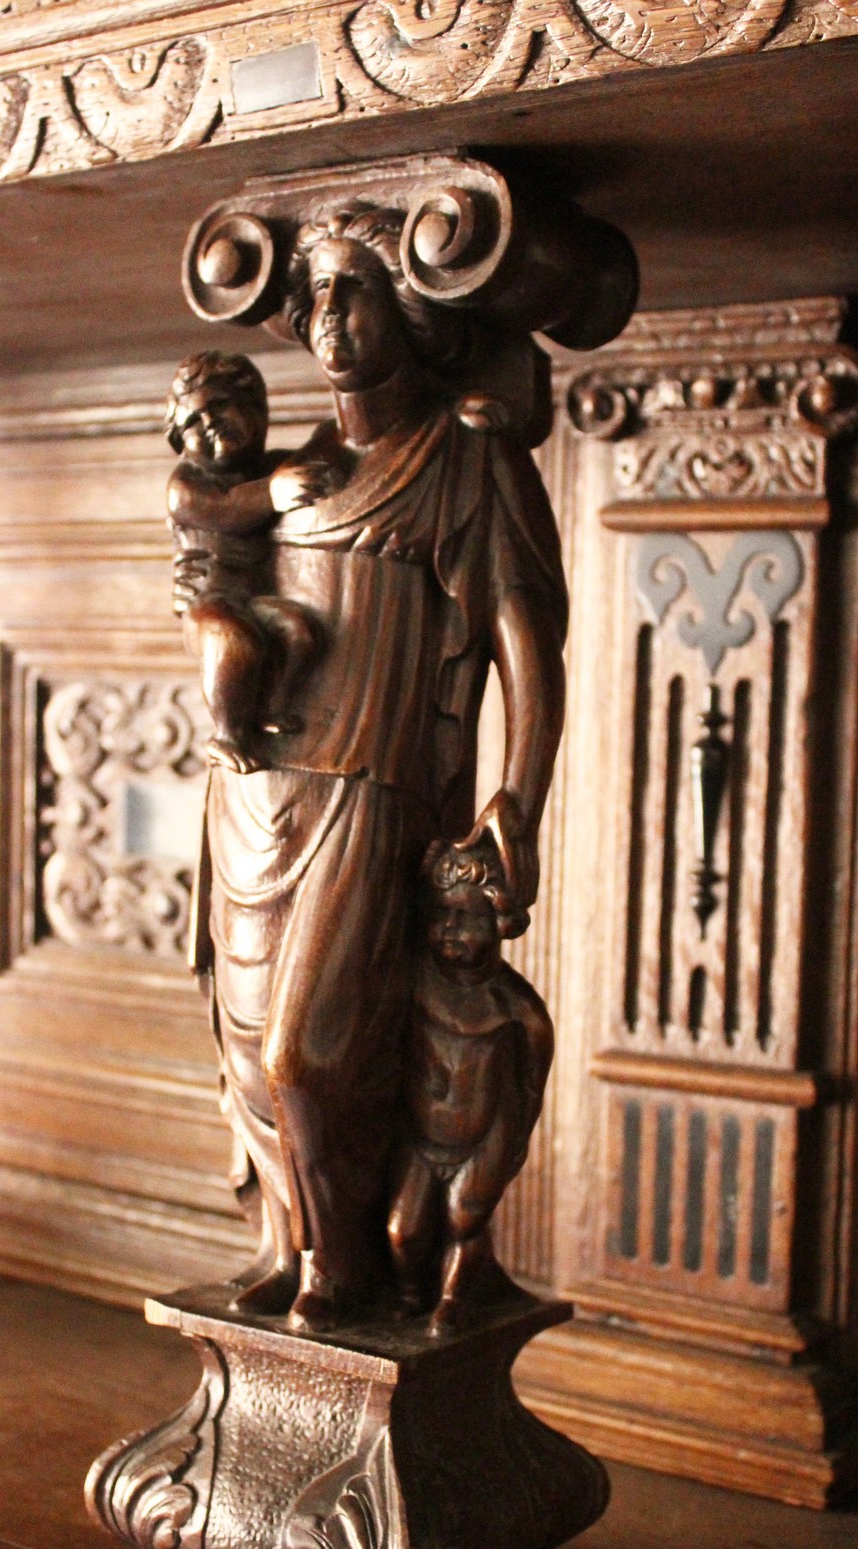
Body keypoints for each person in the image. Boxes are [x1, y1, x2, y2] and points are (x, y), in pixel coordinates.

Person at [189, 202, 569, 1331]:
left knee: (310, 1050)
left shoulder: (460, 454)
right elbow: (212, 584)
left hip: (371, 788)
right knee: (253, 1054)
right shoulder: (289, 469)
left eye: (354, 290)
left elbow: (523, 641)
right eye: (313, 299)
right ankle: (299, 1240)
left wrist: (521, 794)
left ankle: (345, 1262)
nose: (329, 319)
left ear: (408, 307)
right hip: (255, 795)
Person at [387, 840, 553, 1334]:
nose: (449, 930)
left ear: (500, 923)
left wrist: (513, 1143)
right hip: (419, 1136)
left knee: (465, 1219)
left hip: (483, 1139)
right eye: (440, 916)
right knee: (403, 1231)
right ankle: (411, 1294)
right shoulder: (414, 980)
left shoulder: (517, 1008)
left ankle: (454, 1298)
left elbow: (530, 1082)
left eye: (464, 917)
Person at [165, 350, 323, 774]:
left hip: (251, 598)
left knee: (298, 630)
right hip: (211, 604)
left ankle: (270, 705)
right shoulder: (186, 486)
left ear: (256, 404)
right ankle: (227, 735)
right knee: (232, 640)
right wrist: (272, 494)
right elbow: (226, 508)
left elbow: (310, 464)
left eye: (218, 406)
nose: (209, 423)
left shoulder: (271, 467)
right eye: (192, 423)